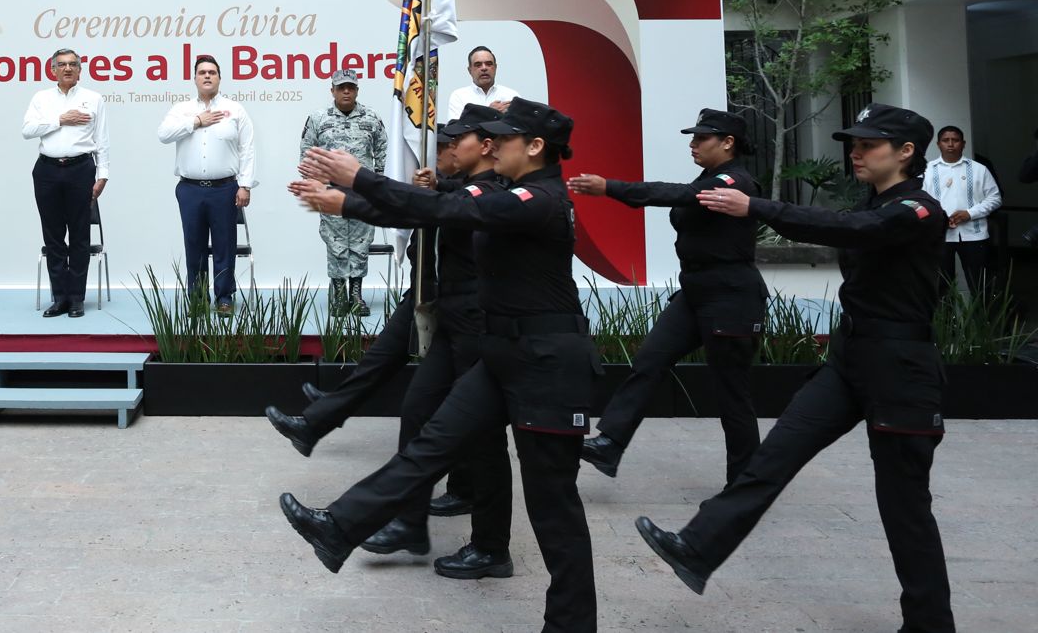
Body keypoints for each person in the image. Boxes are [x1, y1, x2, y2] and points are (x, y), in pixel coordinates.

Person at [636, 102, 956, 633]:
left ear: (906, 152)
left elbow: (850, 228)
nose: (855, 153)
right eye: (853, 145)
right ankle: (697, 547)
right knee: (773, 456)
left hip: (901, 372)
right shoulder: (875, 203)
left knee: (904, 508)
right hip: (850, 361)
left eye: (868, 145)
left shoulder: (917, 211)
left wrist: (755, 207)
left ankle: (929, 624)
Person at [282, 98, 599, 632]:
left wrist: (359, 179)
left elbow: (447, 211)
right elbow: (430, 206)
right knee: (429, 442)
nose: (493, 146)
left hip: (547, 367)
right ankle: (340, 527)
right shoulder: (502, 191)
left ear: (536, 147)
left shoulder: (538, 199)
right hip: (503, 357)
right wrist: (350, 199)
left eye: (504, 138)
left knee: (553, 508)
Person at [273, 102, 517, 579]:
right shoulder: (461, 188)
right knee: (418, 412)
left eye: (456, 140)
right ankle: (409, 522)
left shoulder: (491, 193)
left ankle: (491, 546)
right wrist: (344, 193)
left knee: (484, 441)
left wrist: (348, 193)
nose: (447, 147)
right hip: (450, 318)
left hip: (478, 326)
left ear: (486, 146)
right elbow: (421, 201)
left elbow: (421, 206)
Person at [570, 108, 768, 488]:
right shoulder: (708, 177)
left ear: (728, 143)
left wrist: (610, 187)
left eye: (702, 138)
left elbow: (675, 195)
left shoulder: (735, 181)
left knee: (732, 395)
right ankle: (611, 443)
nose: (693, 144)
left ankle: (744, 486)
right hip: (695, 293)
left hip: (730, 297)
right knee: (650, 360)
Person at [156, 55, 255, 315]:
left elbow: (247, 149)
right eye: (202, 72)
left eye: (212, 72)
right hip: (189, 189)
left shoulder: (235, 109)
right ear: (195, 78)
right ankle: (198, 299)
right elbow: (163, 134)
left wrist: (245, 185)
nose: (207, 76)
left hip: (225, 189)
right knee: (194, 245)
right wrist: (196, 122)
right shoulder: (182, 109)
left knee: (225, 245)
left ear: (220, 78)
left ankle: (224, 298)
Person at [22, 48, 111, 319]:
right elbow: (27, 130)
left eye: (73, 64)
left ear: (80, 70)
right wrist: (60, 119)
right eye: (62, 65)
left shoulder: (93, 98)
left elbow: (102, 139)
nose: (68, 68)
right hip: (47, 170)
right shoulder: (41, 98)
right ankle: (59, 298)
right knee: (53, 236)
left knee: (80, 235)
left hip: (81, 169)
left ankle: (76, 298)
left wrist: (103, 174)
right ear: (53, 70)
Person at [299, 70, 388, 316]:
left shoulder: (371, 117)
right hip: (332, 192)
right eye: (341, 88)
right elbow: (307, 152)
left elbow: (382, 147)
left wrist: (378, 181)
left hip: (363, 192)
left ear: (357, 90)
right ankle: (339, 294)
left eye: (350, 87)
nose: (346, 91)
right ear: (333, 91)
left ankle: (356, 295)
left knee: (361, 243)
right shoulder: (318, 118)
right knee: (335, 243)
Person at [923, 125, 1001, 301]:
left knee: (980, 285)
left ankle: (981, 319)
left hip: (974, 235)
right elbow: (919, 202)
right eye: (946, 140)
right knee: (942, 286)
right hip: (940, 236)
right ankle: (947, 320)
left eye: (955, 140)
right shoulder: (927, 170)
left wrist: (970, 213)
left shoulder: (979, 169)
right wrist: (940, 218)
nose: (951, 144)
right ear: (938, 144)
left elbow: (995, 198)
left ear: (963, 144)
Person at [445, 45, 517, 120]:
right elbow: (456, 127)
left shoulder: (511, 96)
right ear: (470, 70)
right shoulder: (459, 96)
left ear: (495, 67)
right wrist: (489, 113)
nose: (484, 68)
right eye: (478, 65)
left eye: (489, 64)